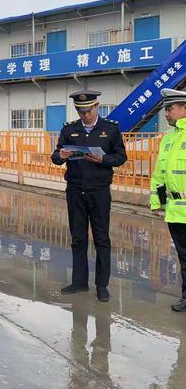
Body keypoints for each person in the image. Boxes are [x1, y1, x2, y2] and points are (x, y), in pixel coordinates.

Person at [51, 89, 127, 302]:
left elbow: (121, 156)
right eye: (80, 111)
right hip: (75, 191)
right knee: (78, 238)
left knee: (101, 238)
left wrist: (103, 160)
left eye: (88, 110)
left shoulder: (110, 129)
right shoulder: (69, 129)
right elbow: (56, 156)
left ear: (96, 106)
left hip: (99, 191)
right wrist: (59, 155)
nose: (85, 115)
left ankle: (101, 285)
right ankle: (79, 282)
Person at [150, 88, 186, 312]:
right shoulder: (168, 139)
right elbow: (159, 174)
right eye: (165, 109)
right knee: (184, 257)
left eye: (170, 109)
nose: (166, 114)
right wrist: (156, 202)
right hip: (175, 210)